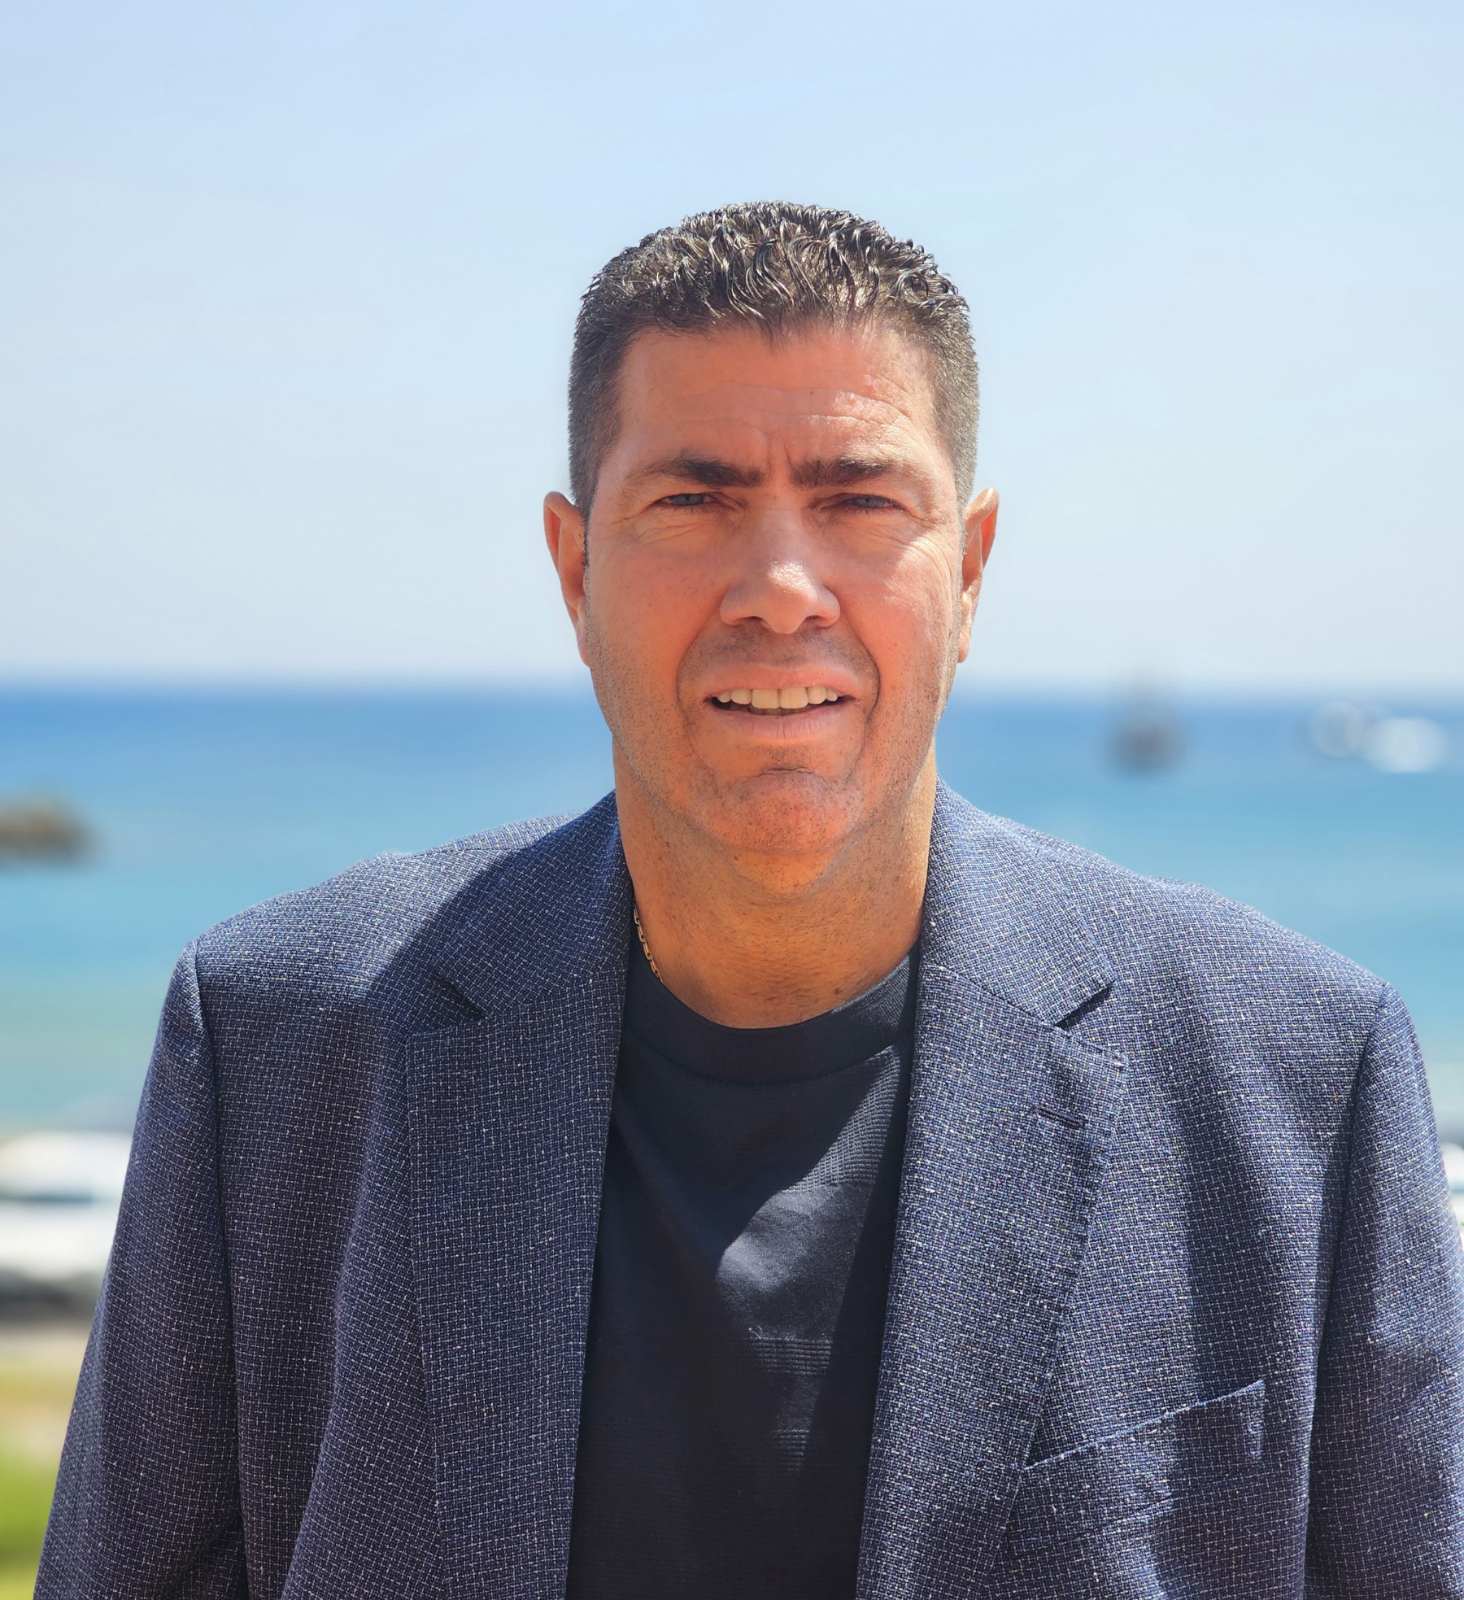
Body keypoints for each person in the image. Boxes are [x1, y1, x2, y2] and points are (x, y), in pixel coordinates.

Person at [37, 201, 1463, 1599]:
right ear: (575, 570)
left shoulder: (1297, 1081)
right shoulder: (279, 1041)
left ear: (969, 572)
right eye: (694, 501)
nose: (781, 588)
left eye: (860, 501)